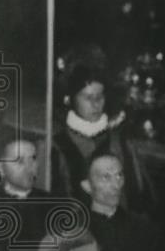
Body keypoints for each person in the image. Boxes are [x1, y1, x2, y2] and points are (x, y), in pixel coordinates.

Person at [52, 49, 153, 212]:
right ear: (71, 99)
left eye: (100, 97)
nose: (96, 104)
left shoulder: (121, 144)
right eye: (88, 97)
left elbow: (141, 200)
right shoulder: (56, 147)